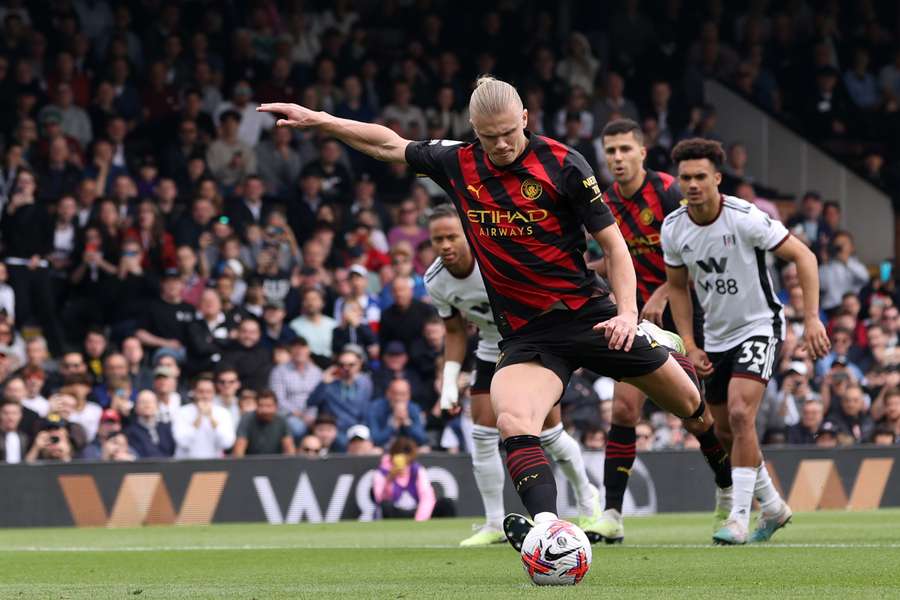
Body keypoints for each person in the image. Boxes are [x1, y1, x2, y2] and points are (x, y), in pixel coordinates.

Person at [259, 76, 706, 552]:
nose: (500, 144)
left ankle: (652, 472)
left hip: (584, 311)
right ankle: (548, 531)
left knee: (688, 411)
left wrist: (627, 312)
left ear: (526, 121)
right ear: (473, 129)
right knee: (509, 421)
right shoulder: (458, 164)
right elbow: (389, 144)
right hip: (524, 334)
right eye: (488, 136)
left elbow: (614, 247)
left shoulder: (561, 164)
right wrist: (322, 120)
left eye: (509, 133)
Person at [662, 138, 831, 545]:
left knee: (740, 415)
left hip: (759, 326)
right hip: (714, 339)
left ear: (717, 178)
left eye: (701, 176)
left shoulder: (744, 217)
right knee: (724, 431)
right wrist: (689, 342)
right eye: (686, 177)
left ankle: (738, 519)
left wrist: (810, 319)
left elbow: (804, 257)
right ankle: (773, 507)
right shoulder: (674, 228)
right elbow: (678, 289)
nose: (693, 184)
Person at [425, 204, 603, 546]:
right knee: (480, 433)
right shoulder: (435, 280)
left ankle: (587, 499)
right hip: (491, 350)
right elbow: (454, 332)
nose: (445, 245)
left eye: (452, 236)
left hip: (532, 345)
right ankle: (493, 522)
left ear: (467, 232)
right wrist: (448, 382)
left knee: (549, 435)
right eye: (437, 239)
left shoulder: (495, 259)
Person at [596, 119, 734, 543]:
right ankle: (612, 515)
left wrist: (660, 293)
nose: (617, 158)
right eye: (611, 151)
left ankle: (728, 490)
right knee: (622, 409)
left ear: (642, 151)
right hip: (634, 318)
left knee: (699, 418)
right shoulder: (602, 201)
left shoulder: (670, 191)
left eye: (625, 149)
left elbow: (699, 251)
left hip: (686, 315)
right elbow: (607, 258)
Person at [268, 336, 322, 440]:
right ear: (290, 351)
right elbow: (278, 399)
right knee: (298, 428)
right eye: (295, 347)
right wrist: (300, 414)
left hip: (313, 415)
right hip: (289, 415)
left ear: (308, 350)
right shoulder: (279, 371)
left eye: (302, 347)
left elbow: (319, 397)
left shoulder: (316, 372)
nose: (299, 351)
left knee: (325, 428)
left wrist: (311, 416)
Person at [372, 436, 436, 521]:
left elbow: (427, 497)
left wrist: (419, 520)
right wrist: (389, 480)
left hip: (415, 512)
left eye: (407, 454)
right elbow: (379, 499)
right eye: (399, 453)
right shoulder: (381, 472)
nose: (404, 458)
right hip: (395, 513)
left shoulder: (417, 470)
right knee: (386, 505)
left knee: (447, 503)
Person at [172, 376, 235, 458]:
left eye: (208, 392)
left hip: (213, 463)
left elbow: (227, 443)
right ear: (194, 392)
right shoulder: (181, 412)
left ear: (214, 393)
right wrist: (199, 416)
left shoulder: (223, 413)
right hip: (186, 463)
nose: (205, 395)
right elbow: (183, 442)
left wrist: (211, 418)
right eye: (201, 392)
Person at [232, 389, 295, 456]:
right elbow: (239, 450)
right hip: (251, 463)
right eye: (261, 406)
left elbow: (289, 449)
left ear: (276, 406)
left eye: (269, 406)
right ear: (256, 406)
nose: (265, 410)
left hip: (276, 463)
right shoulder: (246, 419)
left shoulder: (282, 420)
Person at [125, 390, 175, 458]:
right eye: (143, 402)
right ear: (136, 407)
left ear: (157, 405)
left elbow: (172, 451)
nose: (147, 405)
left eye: (150, 402)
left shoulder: (166, 428)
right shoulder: (130, 432)